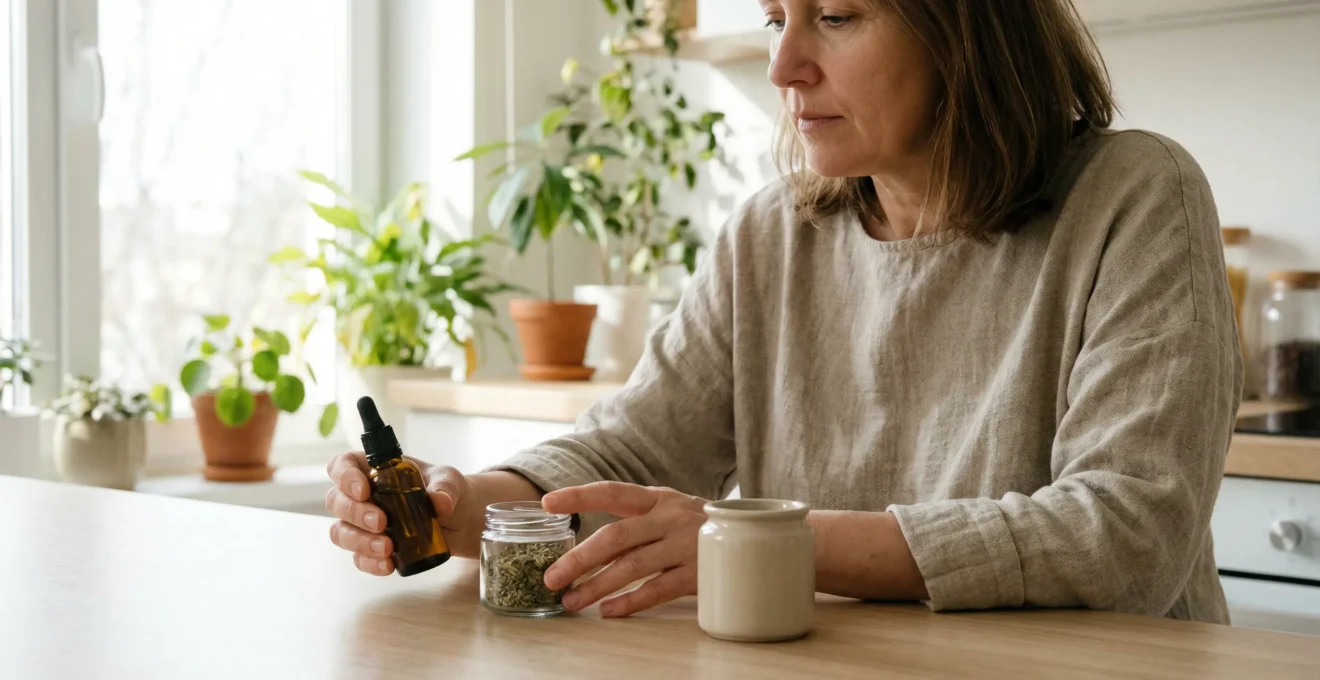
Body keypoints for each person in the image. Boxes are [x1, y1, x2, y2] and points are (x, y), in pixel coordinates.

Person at [325, 0, 1240, 623]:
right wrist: (465, 508)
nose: (782, 65)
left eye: (835, 16)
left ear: (972, 28)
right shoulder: (773, 234)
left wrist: (757, 544)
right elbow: (626, 456)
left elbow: (1125, 539)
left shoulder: (1136, 196)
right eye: (774, 17)